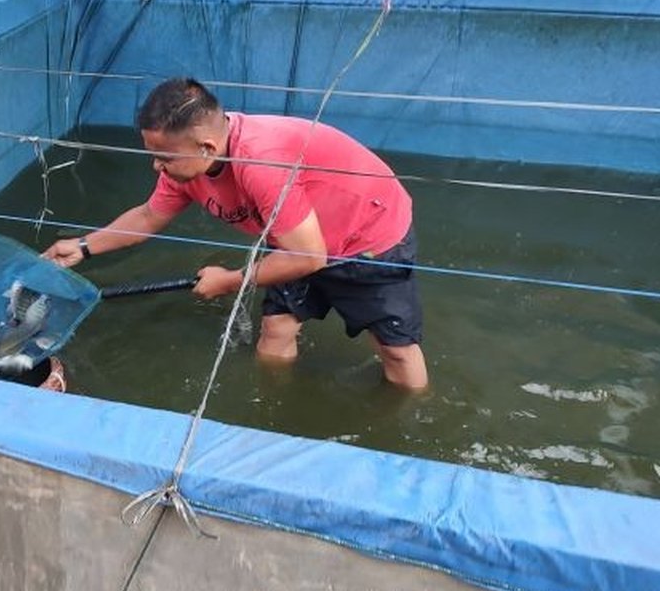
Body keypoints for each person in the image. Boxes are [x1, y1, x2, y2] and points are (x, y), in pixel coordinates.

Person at [44, 78, 429, 390]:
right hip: (297, 239)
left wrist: (229, 281)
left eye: (164, 158)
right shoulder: (187, 165)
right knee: (276, 330)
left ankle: (411, 417)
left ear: (208, 147)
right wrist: (82, 247)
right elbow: (147, 216)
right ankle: (275, 413)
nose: (156, 167)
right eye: (153, 155)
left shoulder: (258, 161)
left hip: (369, 237)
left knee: (397, 351)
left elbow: (310, 258)